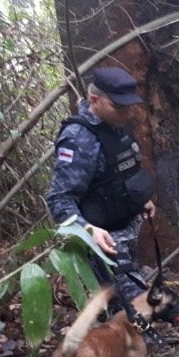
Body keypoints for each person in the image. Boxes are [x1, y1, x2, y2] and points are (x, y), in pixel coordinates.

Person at [47, 66, 156, 308]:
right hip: (103, 238)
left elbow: (124, 170)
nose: (127, 112)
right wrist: (88, 229)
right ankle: (134, 340)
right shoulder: (78, 138)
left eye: (128, 105)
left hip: (127, 226)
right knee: (133, 305)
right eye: (118, 106)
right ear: (94, 100)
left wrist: (141, 199)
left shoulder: (117, 123)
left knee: (126, 299)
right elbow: (59, 199)